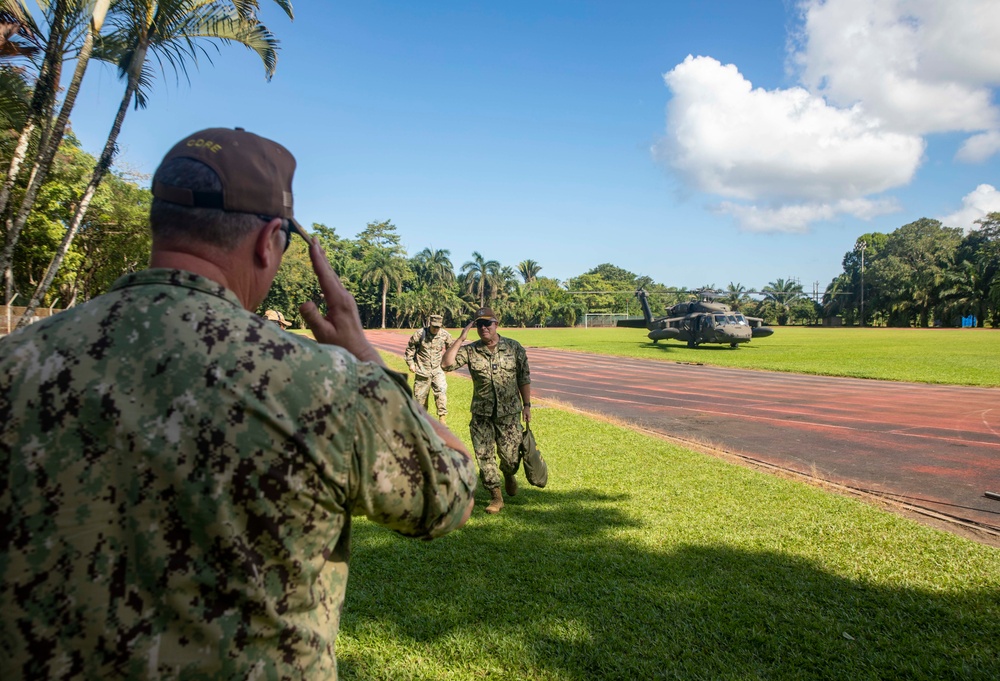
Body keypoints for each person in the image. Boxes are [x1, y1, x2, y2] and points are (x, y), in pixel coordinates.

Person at [0, 127, 476, 680]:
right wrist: (364, 357)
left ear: (161, 222)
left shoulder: (16, 362)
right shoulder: (328, 384)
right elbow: (450, 494)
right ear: (268, 239)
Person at [442, 306, 531, 514]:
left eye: (487, 323)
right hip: (481, 414)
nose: (483, 328)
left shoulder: (513, 348)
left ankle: (508, 474)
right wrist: (461, 339)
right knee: (484, 456)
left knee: (510, 458)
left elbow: (523, 378)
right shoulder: (471, 350)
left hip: (509, 414)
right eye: (479, 324)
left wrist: (527, 406)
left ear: (496, 324)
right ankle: (496, 497)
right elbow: (446, 364)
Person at [405, 313, 453, 423]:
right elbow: (410, 349)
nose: (436, 329)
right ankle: (422, 422)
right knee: (420, 399)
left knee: (441, 392)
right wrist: (411, 363)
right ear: (430, 324)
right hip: (422, 371)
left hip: (437, 370)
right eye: (434, 326)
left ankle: (442, 419)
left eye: (438, 327)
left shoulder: (445, 335)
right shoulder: (420, 334)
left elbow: (451, 350)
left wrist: (447, 366)